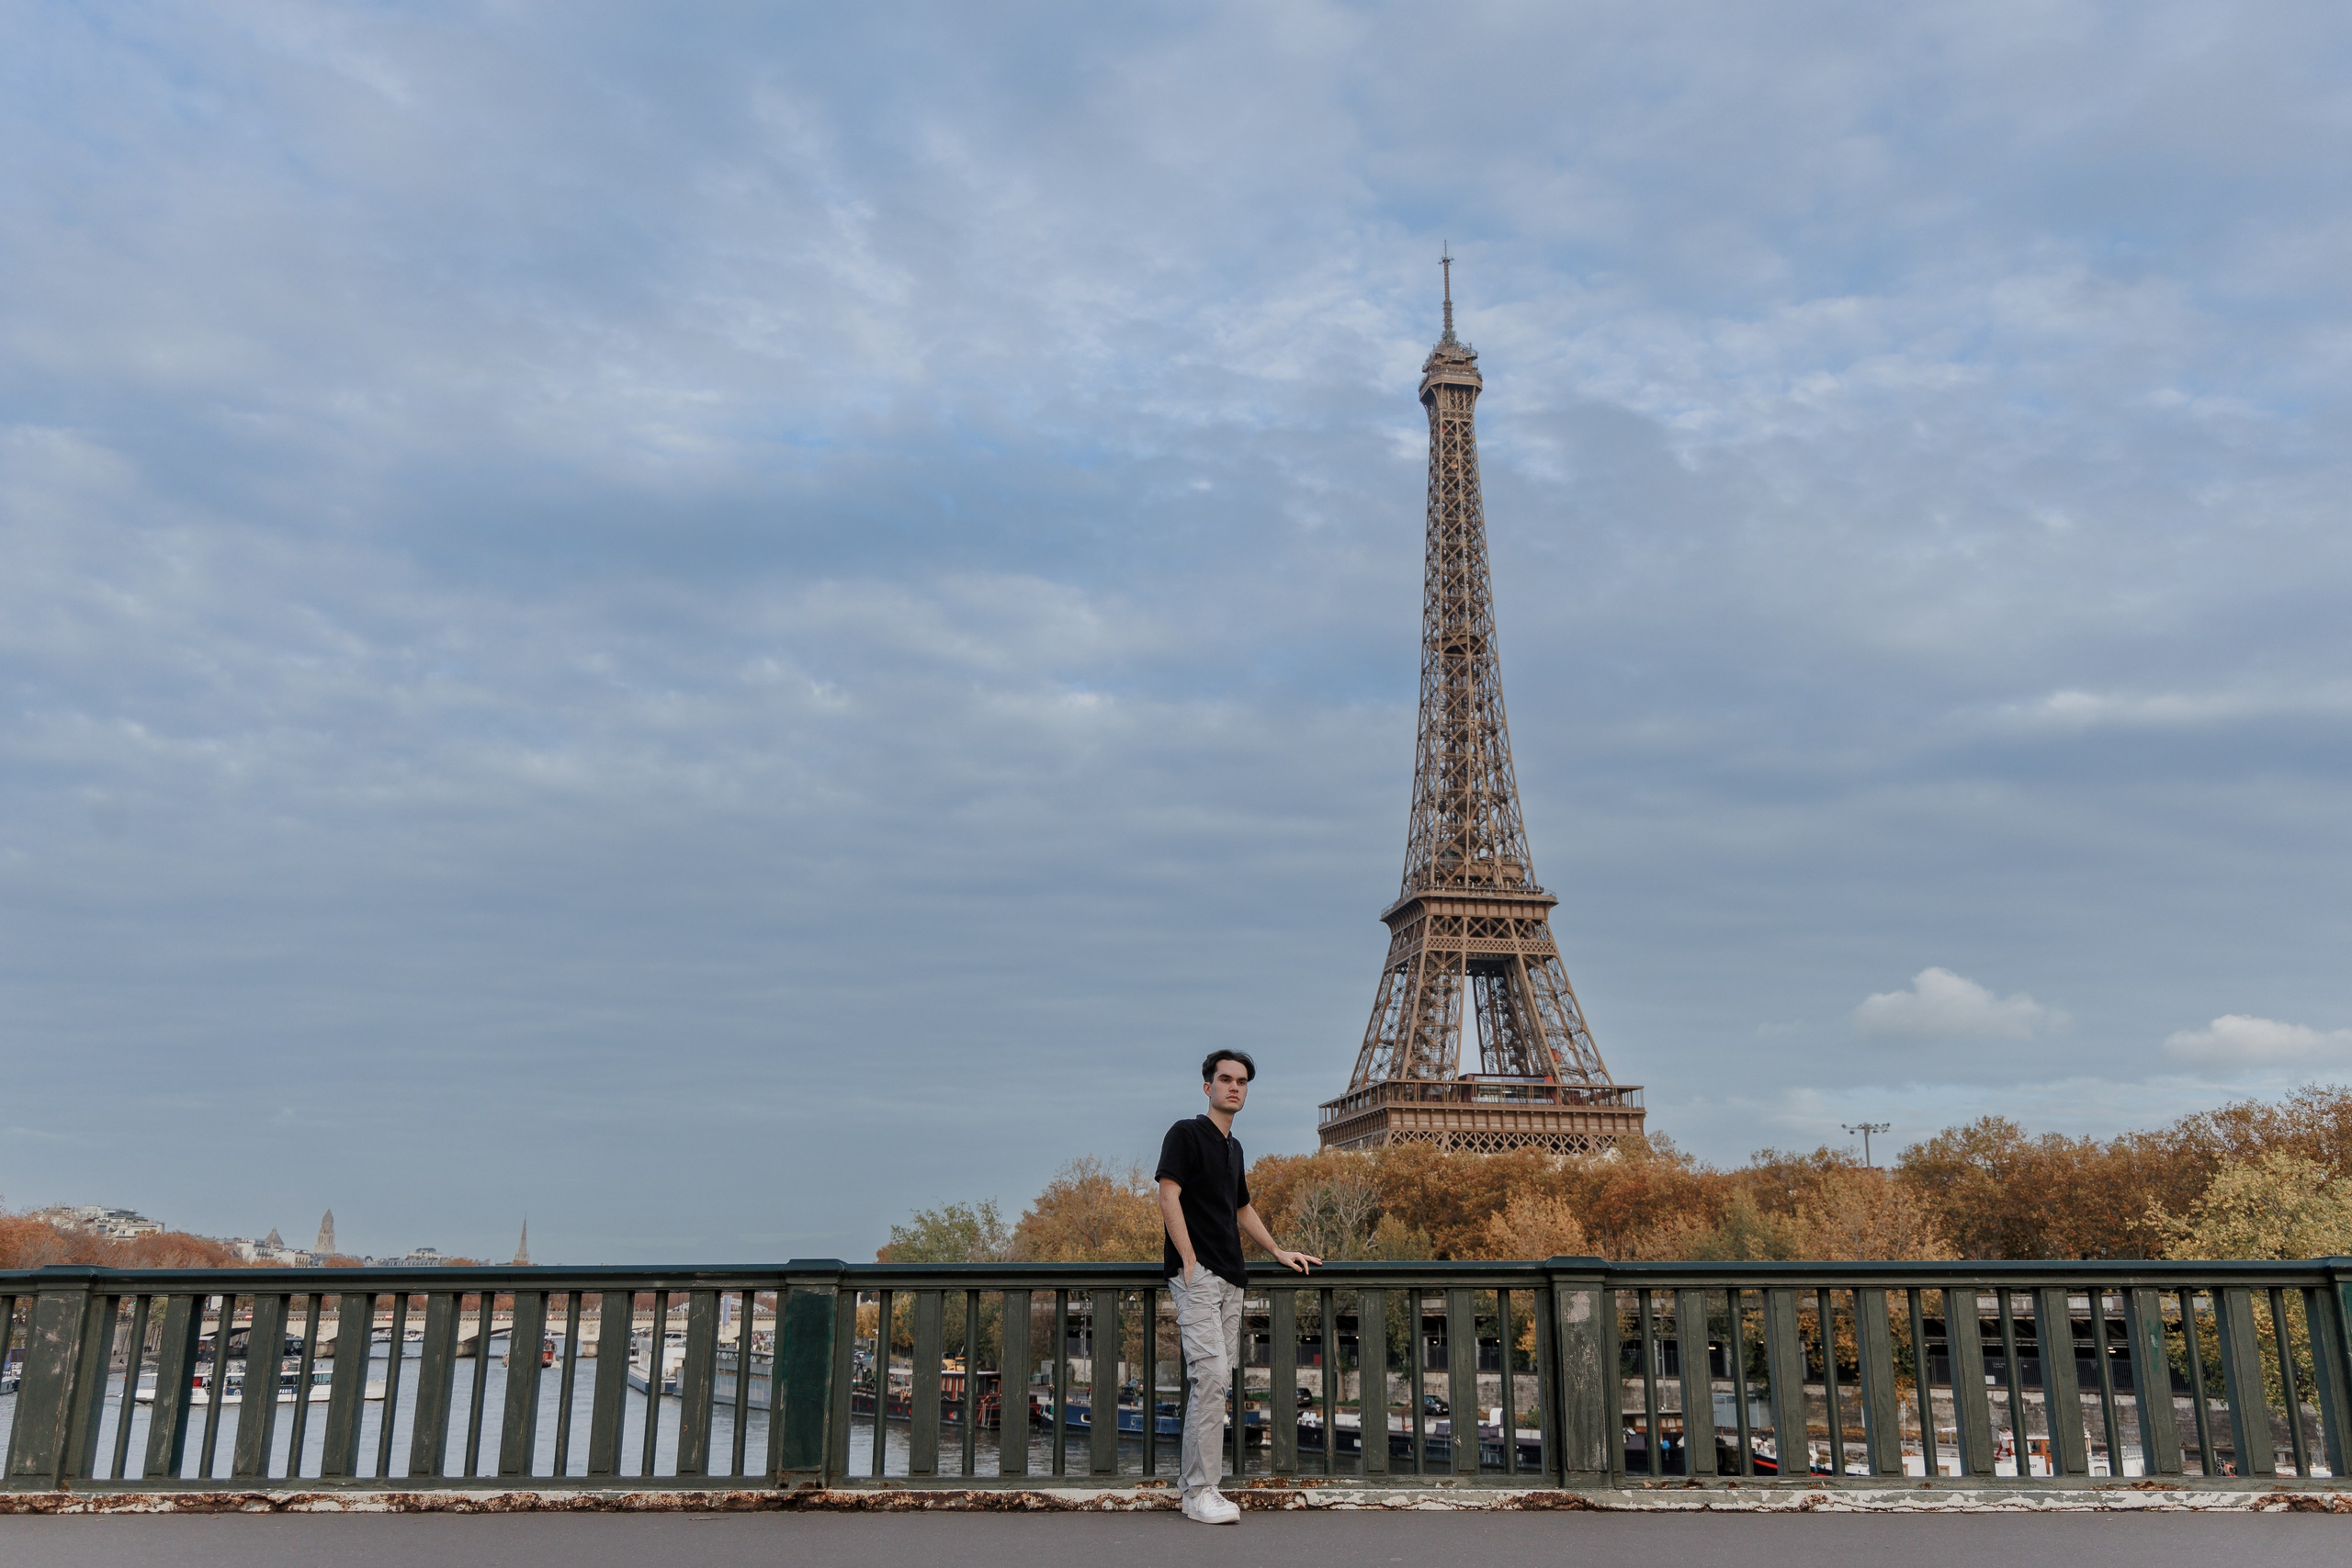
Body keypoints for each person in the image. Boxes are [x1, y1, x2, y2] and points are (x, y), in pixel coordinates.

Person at [1155, 1049, 1320, 1526]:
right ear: (1207, 1087)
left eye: (1242, 1081)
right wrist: (1188, 1261)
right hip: (1200, 1276)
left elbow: (1242, 1208)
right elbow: (1169, 1194)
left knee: (1212, 1384)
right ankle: (1205, 1490)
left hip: (1232, 1279)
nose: (1234, 1087)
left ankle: (1193, 1491)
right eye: (1225, 1079)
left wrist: (1277, 1251)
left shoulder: (1235, 1148)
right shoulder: (1185, 1133)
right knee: (1210, 1381)